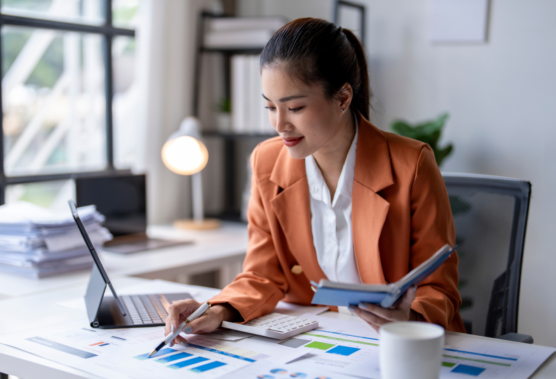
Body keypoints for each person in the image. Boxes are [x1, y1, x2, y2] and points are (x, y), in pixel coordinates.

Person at [165, 17, 465, 344]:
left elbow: (438, 289)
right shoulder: (267, 162)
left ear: (343, 98)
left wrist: (409, 317)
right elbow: (262, 274)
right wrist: (216, 310)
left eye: (295, 107)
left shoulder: (412, 165)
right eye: (270, 107)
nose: (280, 125)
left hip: (404, 344)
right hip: (320, 342)